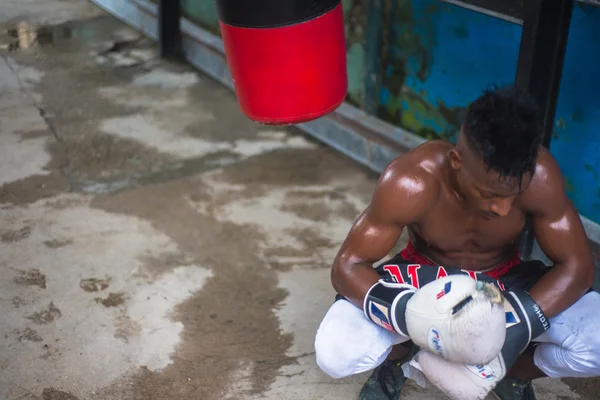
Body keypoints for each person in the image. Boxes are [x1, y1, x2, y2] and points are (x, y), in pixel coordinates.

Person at [314, 85, 600, 400]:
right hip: (423, 280)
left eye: (513, 194)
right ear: (456, 161)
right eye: (489, 194)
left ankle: (511, 374)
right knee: (335, 353)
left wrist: (518, 325)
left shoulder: (541, 178)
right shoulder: (412, 181)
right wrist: (410, 315)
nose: (502, 209)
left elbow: (578, 266)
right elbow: (347, 266)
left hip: (504, 282)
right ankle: (397, 362)